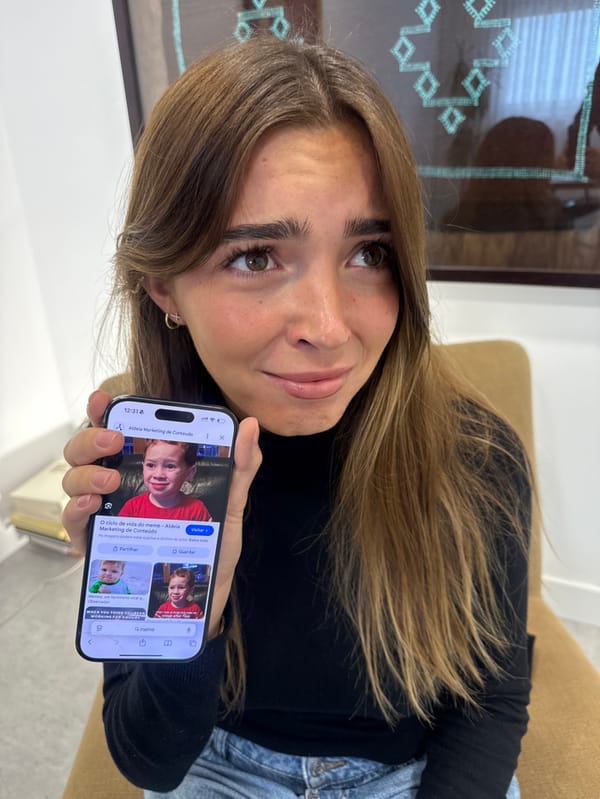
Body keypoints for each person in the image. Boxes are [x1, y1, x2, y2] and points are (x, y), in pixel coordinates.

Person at [62, 36, 531, 799]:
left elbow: (492, 698)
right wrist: (191, 610)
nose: (329, 325)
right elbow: (150, 760)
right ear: (164, 289)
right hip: (218, 763)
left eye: (368, 252)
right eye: (255, 257)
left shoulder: (476, 458)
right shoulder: (149, 468)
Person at [118, 439, 212, 521]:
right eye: (150, 465)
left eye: (170, 466)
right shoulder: (132, 507)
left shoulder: (197, 510)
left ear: (189, 473)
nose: (158, 475)